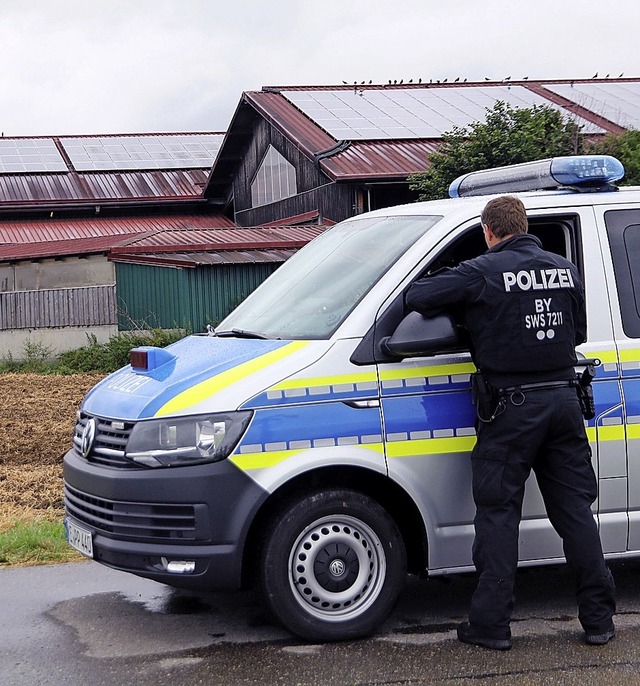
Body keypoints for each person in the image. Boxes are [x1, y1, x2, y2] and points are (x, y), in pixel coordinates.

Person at [406, 195, 616, 651]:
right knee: (575, 513)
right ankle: (599, 620)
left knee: (499, 515)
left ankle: (491, 626)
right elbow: (576, 333)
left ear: (488, 231)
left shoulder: (481, 270)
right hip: (563, 402)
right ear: (524, 225)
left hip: (511, 409)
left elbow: (417, 296)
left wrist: (470, 314)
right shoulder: (565, 268)